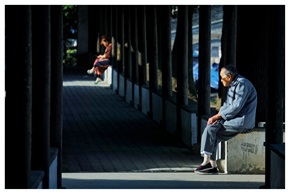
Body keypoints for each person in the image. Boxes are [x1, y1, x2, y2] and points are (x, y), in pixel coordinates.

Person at [195, 65, 257, 174]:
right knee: (212, 130)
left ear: (229, 76)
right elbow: (226, 105)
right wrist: (218, 117)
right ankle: (211, 165)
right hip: (234, 119)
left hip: (241, 121)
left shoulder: (242, 84)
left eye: (221, 77)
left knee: (211, 131)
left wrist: (217, 117)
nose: (220, 80)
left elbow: (236, 107)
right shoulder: (234, 85)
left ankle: (207, 162)